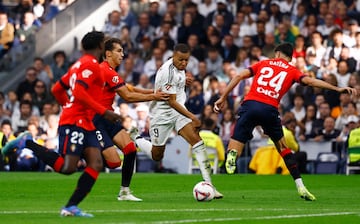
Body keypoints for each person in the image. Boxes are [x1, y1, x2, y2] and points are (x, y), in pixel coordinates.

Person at [214, 42, 358, 201]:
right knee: (284, 149)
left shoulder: (263, 63)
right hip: (270, 109)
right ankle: (301, 187)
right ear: (290, 58)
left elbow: (238, 76)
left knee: (236, 141)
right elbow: (310, 82)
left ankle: (232, 154)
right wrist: (336, 89)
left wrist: (223, 97)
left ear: (277, 53)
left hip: (250, 104)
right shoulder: (292, 70)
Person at [2, 31, 122, 217]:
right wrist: (103, 111)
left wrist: (67, 104)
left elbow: (57, 88)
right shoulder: (90, 65)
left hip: (85, 121)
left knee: (96, 163)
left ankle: (71, 206)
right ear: (100, 46)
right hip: (75, 121)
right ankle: (27, 143)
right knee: (68, 168)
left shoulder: (77, 65)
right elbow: (80, 93)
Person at [131, 43, 223, 198]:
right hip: (162, 115)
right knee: (157, 155)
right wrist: (193, 116)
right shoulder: (167, 72)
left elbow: (176, 88)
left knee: (197, 142)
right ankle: (136, 138)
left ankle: (210, 185)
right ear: (173, 55)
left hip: (178, 112)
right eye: (181, 60)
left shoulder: (179, 68)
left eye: (186, 60)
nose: (184, 63)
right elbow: (171, 102)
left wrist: (183, 81)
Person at [93, 37, 169, 201]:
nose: (123, 54)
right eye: (119, 51)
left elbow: (130, 88)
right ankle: (87, 151)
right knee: (113, 163)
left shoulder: (111, 72)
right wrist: (154, 97)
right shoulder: (105, 70)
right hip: (95, 119)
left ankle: (124, 192)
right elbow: (127, 96)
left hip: (109, 118)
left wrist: (153, 92)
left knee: (130, 149)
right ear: (108, 54)